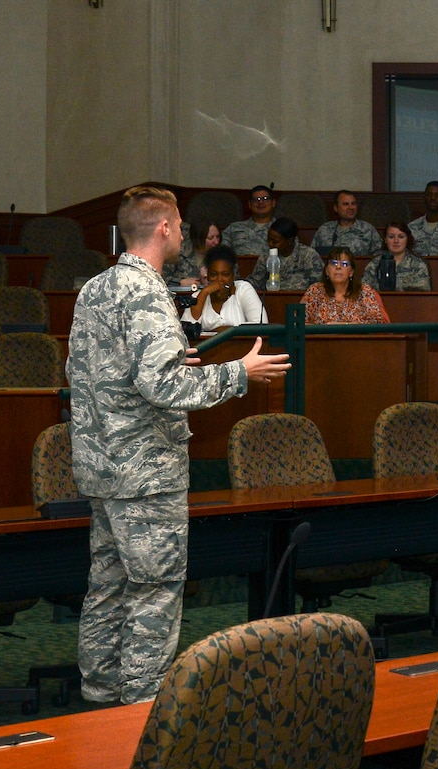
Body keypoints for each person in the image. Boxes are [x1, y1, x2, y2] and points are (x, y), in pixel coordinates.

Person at [68, 185, 289, 704]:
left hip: (103, 469)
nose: (183, 234)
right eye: (180, 225)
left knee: (108, 587)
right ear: (164, 227)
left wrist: (169, 366)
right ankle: (141, 712)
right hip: (145, 473)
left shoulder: (95, 289)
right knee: (154, 591)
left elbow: (90, 372)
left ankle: (98, 700)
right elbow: (163, 387)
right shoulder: (146, 292)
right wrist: (238, 371)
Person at [180, 245, 265, 334]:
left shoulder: (243, 289)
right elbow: (186, 333)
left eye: (225, 274)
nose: (219, 280)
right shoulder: (197, 296)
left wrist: (222, 332)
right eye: (214, 274)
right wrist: (205, 292)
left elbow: (261, 326)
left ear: (233, 276)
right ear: (208, 276)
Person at [304, 247, 391, 324]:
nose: (338, 267)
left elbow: (379, 323)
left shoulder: (364, 292)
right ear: (327, 270)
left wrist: (349, 325)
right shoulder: (314, 291)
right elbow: (299, 323)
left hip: (357, 342)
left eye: (344, 264)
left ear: (351, 272)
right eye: (334, 263)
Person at [245, 217, 323, 292]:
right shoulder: (266, 257)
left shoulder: (308, 255)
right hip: (272, 301)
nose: (270, 244)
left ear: (289, 241)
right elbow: (255, 282)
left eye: (275, 241)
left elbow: (318, 286)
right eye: (268, 240)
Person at [362, 222, 431, 292]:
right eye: (391, 237)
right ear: (385, 240)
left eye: (401, 237)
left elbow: (423, 294)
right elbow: (364, 292)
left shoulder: (418, 264)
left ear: (407, 239)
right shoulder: (374, 264)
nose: (396, 241)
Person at [311, 190, 382, 256]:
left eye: (353, 204)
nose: (351, 207)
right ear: (336, 208)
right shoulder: (324, 230)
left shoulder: (368, 229)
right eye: (345, 204)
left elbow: (379, 255)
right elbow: (313, 255)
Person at [221, 184, 277, 256]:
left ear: (273, 203)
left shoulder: (284, 229)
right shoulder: (234, 228)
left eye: (265, 198)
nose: (260, 202)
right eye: (255, 199)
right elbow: (222, 255)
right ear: (249, 204)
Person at [166, 221, 221, 285]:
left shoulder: (221, 256)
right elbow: (162, 279)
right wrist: (180, 282)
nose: (216, 242)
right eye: (210, 238)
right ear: (198, 238)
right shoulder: (177, 253)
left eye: (218, 237)